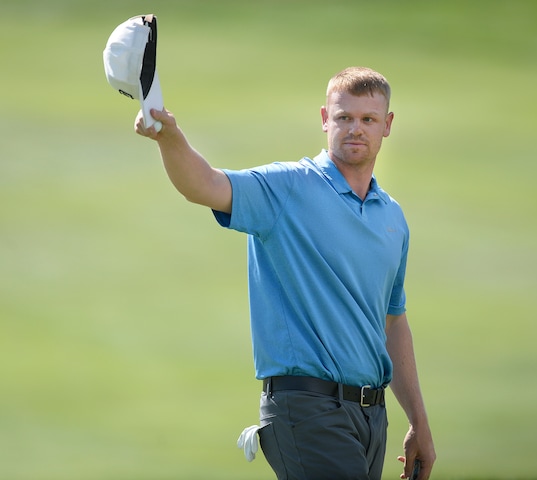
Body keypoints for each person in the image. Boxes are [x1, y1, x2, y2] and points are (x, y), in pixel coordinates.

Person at [135, 66, 436, 480]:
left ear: (387, 126)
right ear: (325, 119)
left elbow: (393, 321)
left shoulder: (392, 217)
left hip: (371, 418)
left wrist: (418, 422)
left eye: (368, 119)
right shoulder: (287, 187)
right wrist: (169, 137)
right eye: (344, 117)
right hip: (307, 409)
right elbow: (202, 184)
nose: (355, 128)